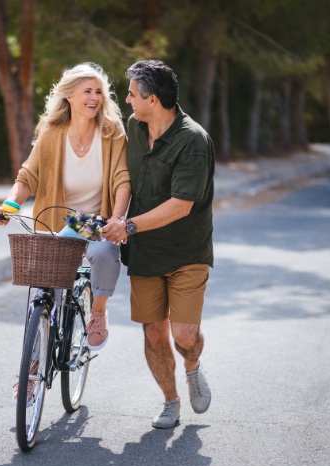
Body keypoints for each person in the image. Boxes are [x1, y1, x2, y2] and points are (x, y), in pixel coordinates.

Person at [0, 63, 131, 404]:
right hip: (57, 220)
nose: (95, 97)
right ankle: (31, 371)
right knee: (44, 294)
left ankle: (98, 313)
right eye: (88, 91)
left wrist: (116, 219)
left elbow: (122, 180)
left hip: (93, 220)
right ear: (69, 95)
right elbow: (28, 176)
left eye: (99, 91)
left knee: (102, 253)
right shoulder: (53, 133)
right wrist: (9, 207)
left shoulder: (112, 132)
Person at [102, 60, 214, 429]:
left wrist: (128, 225)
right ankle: (170, 401)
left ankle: (193, 366)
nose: (128, 99)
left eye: (133, 93)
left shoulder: (192, 140)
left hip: (186, 252)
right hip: (146, 253)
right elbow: (120, 176)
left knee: (182, 334)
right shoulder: (134, 128)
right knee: (153, 331)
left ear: (151, 98)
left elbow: (181, 206)